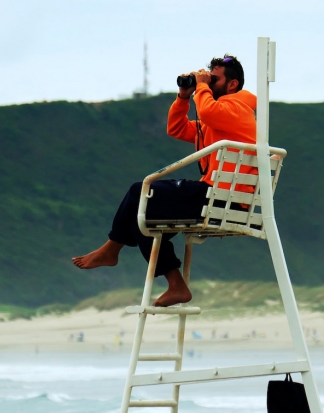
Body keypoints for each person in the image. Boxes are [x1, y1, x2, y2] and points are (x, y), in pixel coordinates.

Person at [72, 55, 257, 306]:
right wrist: (183, 96)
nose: (206, 81)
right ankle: (176, 285)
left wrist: (200, 87)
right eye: (206, 77)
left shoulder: (238, 109)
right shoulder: (217, 119)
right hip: (215, 195)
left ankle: (111, 249)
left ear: (232, 84)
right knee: (142, 218)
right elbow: (177, 129)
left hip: (222, 197)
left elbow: (208, 111)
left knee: (141, 191)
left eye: (213, 78)